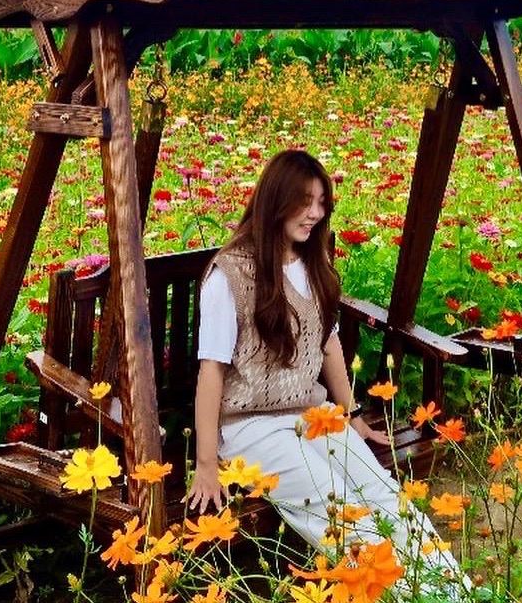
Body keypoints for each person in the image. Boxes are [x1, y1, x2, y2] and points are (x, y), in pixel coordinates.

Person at [184, 149, 466, 595]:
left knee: (385, 497)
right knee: (340, 514)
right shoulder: (231, 275)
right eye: (305, 201)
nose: (316, 214)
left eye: (322, 203)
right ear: (276, 200)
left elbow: (328, 342)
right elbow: (211, 371)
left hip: (313, 416)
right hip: (252, 428)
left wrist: (352, 414)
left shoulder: (312, 263)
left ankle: (459, 590)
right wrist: (205, 465)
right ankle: (415, 594)